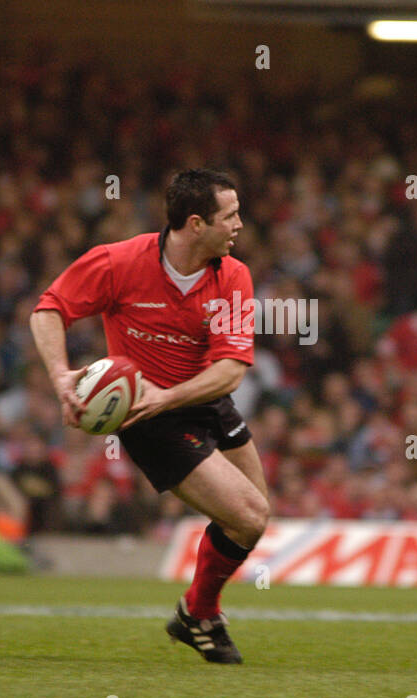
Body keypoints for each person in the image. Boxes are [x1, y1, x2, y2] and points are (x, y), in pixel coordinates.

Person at [29, 168, 267, 663]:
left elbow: (229, 372)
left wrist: (171, 394)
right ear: (197, 223)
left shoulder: (233, 276)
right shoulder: (119, 262)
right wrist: (59, 376)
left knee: (253, 520)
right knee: (247, 514)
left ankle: (196, 616)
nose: (240, 225)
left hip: (200, 398)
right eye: (232, 216)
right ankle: (200, 616)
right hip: (146, 415)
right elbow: (49, 308)